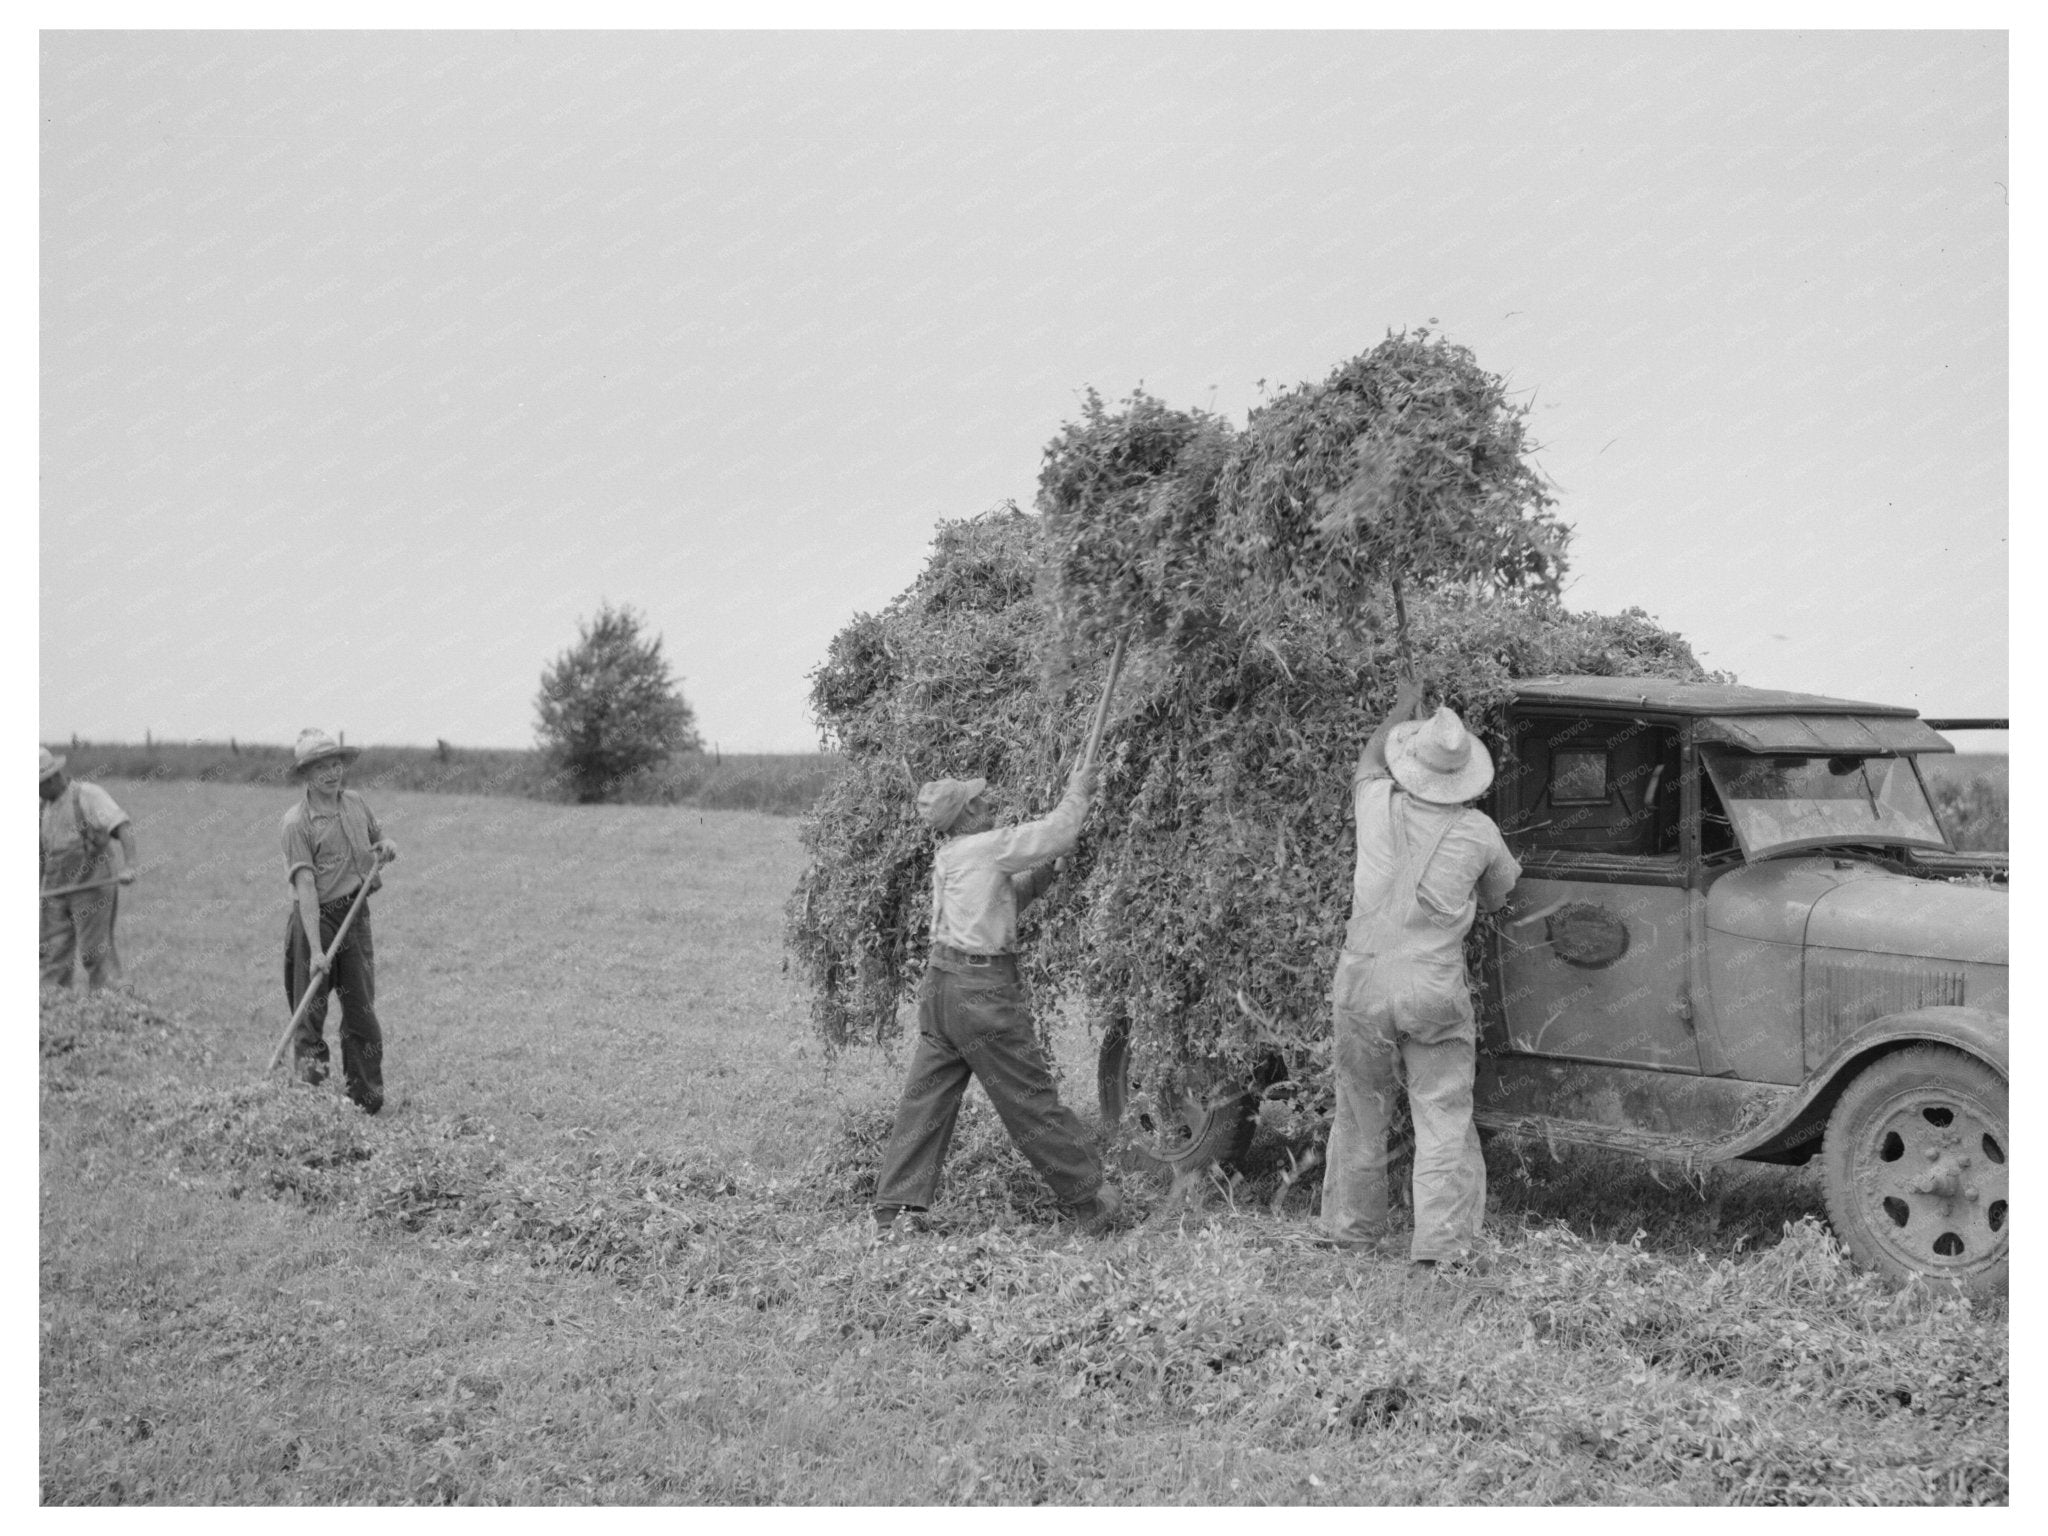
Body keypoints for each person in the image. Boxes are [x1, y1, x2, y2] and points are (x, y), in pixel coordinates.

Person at [871, 762, 1123, 1239]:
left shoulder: (952, 855)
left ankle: (893, 1213)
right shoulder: (989, 846)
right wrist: (1079, 789)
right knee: (1028, 1098)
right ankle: (1090, 1200)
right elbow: (1058, 831)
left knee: (925, 1101)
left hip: (942, 990)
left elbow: (1000, 902)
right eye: (979, 799)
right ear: (967, 814)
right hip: (981, 994)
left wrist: (1045, 875)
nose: (990, 802)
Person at [1323, 680, 1521, 1274]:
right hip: (1432, 987)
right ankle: (1440, 1246)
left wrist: (1403, 701)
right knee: (1441, 1113)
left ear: (1410, 768)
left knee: (1360, 1108)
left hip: (1362, 981)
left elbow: (1368, 758)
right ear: (1465, 777)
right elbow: (1500, 898)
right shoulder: (1480, 833)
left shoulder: (1375, 803)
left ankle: (1351, 1232)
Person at [280, 728, 398, 1114]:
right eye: (321, 767)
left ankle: (364, 1103)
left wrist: (386, 848)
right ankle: (310, 1107)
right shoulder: (297, 823)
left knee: (361, 1012)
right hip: (315, 920)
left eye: (336, 764)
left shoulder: (356, 803)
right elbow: (306, 886)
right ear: (306, 774)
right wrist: (315, 949)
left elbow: (377, 840)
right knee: (310, 1018)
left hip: (355, 913)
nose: (332, 773)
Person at [39, 747, 138, 989]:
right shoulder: (41, 807)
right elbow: (41, 854)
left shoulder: (88, 796)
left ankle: (109, 1008)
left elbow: (122, 826)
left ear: (50, 779)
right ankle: (52, 1012)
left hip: (91, 888)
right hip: (55, 892)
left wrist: (129, 866)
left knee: (95, 954)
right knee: (52, 954)